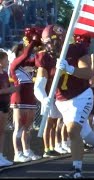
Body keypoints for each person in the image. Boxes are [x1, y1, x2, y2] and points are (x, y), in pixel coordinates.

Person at [34, 25, 94, 178]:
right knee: (87, 136)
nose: (50, 46)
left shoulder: (75, 49)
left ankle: (77, 171)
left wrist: (70, 68)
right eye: (47, 42)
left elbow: (89, 72)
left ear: (62, 39)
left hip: (82, 96)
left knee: (73, 131)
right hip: (62, 102)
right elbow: (39, 85)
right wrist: (43, 98)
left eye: (53, 41)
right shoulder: (44, 57)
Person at [9, 28, 42, 162]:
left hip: (30, 98)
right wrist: (33, 41)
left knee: (28, 127)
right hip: (19, 98)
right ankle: (18, 153)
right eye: (25, 50)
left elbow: (39, 59)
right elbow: (26, 54)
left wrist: (42, 46)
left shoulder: (29, 63)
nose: (29, 53)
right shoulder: (15, 64)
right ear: (19, 52)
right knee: (18, 127)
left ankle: (27, 150)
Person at [0, 51, 16, 167]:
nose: (7, 62)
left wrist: (12, 88)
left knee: (2, 132)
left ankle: (0, 155)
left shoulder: (5, 74)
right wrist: (10, 90)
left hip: (5, 105)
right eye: (5, 60)